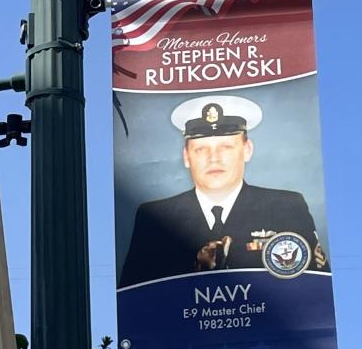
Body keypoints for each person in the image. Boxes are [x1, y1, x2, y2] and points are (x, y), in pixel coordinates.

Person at [118, 96, 329, 287]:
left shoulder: (286, 207)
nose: (214, 158)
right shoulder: (154, 218)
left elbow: (314, 287)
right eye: (201, 149)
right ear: (186, 156)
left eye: (226, 147)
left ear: (247, 150)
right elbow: (134, 300)